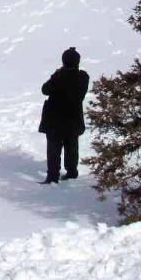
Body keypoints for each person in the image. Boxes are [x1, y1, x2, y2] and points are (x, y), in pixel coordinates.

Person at [38, 47, 90, 184]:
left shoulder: (60, 76)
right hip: (73, 118)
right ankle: (72, 172)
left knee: (54, 149)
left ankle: (52, 176)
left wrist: (56, 75)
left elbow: (45, 89)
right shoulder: (83, 77)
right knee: (72, 146)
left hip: (55, 118)